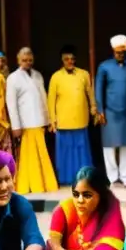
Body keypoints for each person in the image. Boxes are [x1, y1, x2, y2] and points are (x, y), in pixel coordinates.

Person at [6, 46, 57, 194]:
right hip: (25, 124)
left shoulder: (38, 75)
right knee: (29, 158)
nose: (27, 62)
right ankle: (30, 186)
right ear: (18, 60)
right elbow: (12, 104)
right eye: (24, 60)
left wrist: (48, 120)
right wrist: (16, 126)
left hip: (39, 121)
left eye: (29, 60)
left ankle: (45, 184)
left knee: (42, 155)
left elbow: (43, 98)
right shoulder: (13, 78)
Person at [95, 34, 126, 187]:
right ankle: (113, 178)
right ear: (113, 51)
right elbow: (98, 88)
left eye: (122, 52)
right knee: (109, 146)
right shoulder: (104, 66)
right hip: (110, 111)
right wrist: (100, 110)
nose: (120, 55)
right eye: (117, 52)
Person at [47, 44, 96, 185]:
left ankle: (85, 178)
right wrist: (52, 120)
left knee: (82, 152)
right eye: (66, 59)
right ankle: (66, 179)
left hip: (81, 120)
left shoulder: (84, 74)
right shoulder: (56, 77)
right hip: (63, 123)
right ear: (62, 60)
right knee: (66, 153)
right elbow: (51, 100)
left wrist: (94, 108)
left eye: (72, 59)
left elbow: (90, 93)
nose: (70, 61)